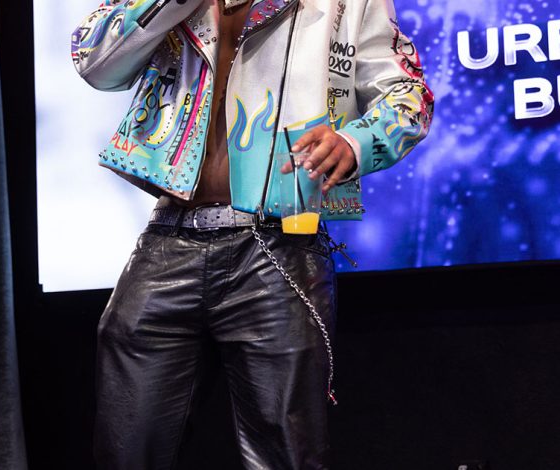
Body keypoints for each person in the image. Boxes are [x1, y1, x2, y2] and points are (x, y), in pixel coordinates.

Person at [71, 0, 434, 467]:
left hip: (278, 244)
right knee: (126, 450)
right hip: (168, 236)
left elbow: (409, 96)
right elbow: (96, 64)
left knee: (284, 455)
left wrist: (354, 141)